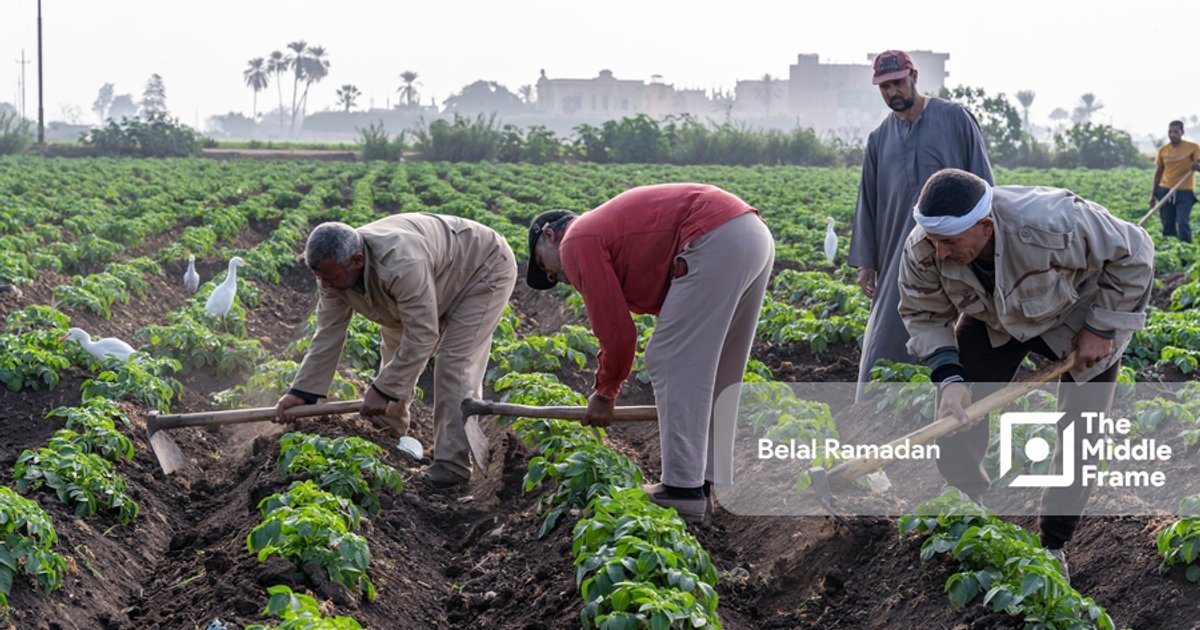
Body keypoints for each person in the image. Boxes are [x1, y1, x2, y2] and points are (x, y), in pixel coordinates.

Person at [898, 168, 1154, 581]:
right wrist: (949, 377)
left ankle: (1054, 544)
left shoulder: (1053, 221)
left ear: (985, 226)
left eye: (949, 242)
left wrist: (1102, 327)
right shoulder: (924, 248)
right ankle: (967, 510)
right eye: (932, 240)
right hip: (994, 320)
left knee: (1081, 435)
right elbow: (923, 314)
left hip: (1078, 318)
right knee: (954, 414)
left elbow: (1136, 251)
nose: (939, 252)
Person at [526, 183, 774, 521]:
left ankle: (682, 489)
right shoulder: (608, 231)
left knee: (668, 357)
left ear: (550, 236)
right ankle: (703, 482)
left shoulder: (576, 241)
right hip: (749, 233)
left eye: (546, 266)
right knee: (716, 368)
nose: (557, 277)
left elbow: (618, 333)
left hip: (713, 236)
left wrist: (605, 392)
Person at [274, 214, 517, 488]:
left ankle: (452, 464)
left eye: (329, 277)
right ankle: (387, 428)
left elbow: (424, 334)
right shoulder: (332, 275)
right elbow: (328, 333)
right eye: (319, 278)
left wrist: (384, 389)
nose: (324, 285)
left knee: (454, 363)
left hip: (480, 269)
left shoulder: (401, 263)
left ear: (357, 260)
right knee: (396, 347)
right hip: (432, 275)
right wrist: (302, 392)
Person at [849, 49, 993, 400]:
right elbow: (868, 201)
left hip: (959, 248)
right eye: (884, 88)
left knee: (967, 326)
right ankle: (875, 407)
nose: (892, 93)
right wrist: (867, 261)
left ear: (913, 76)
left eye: (897, 83)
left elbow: (985, 186)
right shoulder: (878, 139)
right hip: (899, 251)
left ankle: (955, 394)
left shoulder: (955, 119)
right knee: (888, 334)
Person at [1151, 120, 1200, 243]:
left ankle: (1186, 253)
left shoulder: (1193, 148)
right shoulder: (1163, 150)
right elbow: (1158, 172)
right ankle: (1171, 248)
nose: (1172, 134)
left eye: (1176, 132)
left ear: (1182, 133)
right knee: (1167, 223)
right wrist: (1152, 195)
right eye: (1170, 132)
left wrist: (1197, 166)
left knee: (1182, 222)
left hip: (1185, 191)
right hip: (1165, 189)